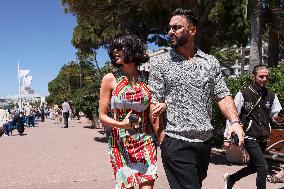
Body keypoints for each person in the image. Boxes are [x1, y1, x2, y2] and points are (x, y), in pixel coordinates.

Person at [148, 8, 244, 189]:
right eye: (169, 28)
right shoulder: (160, 63)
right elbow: (154, 102)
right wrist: (163, 139)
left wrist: (235, 122)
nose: (170, 32)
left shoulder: (210, 62)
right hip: (176, 143)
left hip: (204, 144)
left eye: (176, 27)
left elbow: (223, 95)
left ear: (192, 30)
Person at [99, 34, 161, 189]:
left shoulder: (146, 78)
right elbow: (102, 116)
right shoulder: (110, 79)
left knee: (147, 186)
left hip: (145, 140)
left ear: (133, 50)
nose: (115, 51)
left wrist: (161, 136)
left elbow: (153, 110)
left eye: (120, 48)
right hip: (120, 143)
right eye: (113, 49)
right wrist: (122, 125)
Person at [224, 65, 284, 189]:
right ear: (253, 76)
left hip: (263, 136)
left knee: (254, 167)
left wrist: (278, 118)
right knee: (263, 167)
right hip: (248, 136)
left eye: (266, 77)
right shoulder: (243, 94)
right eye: (261, 76)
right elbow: (232, 116)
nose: (264, 79)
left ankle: (231, 178)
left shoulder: (271, 94)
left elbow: (275, 115)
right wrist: (227, 137)